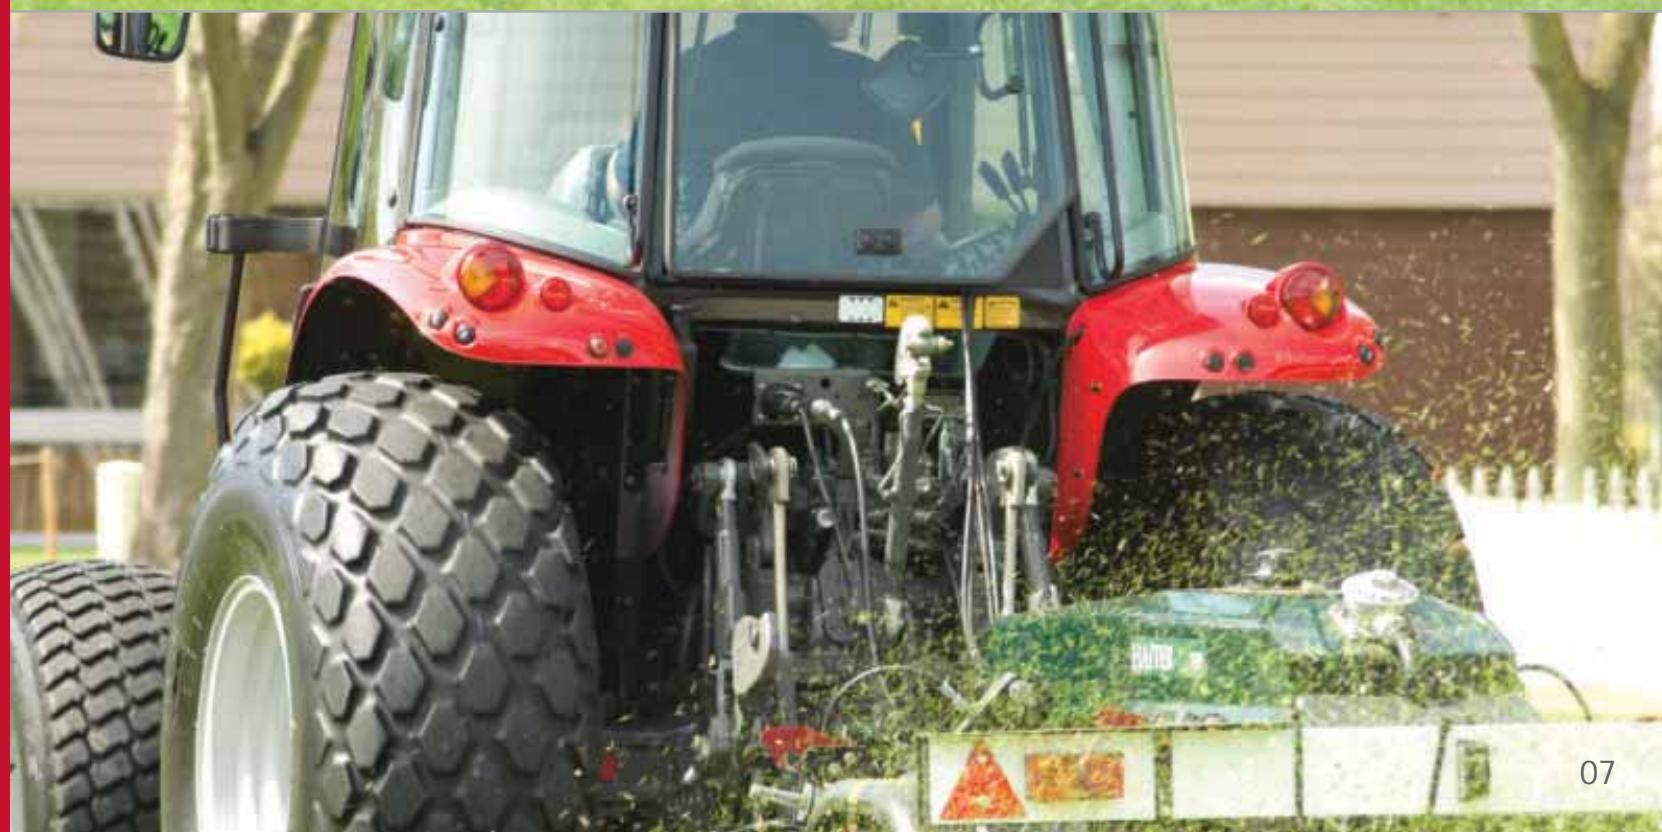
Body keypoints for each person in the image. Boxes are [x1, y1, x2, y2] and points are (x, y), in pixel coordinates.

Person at [675, 13, 943, 251]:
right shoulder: (872, 83)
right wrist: (855, 247)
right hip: (848, 283)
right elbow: (922, 225)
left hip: (708, 281)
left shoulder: (683, 73)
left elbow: (668, 224)